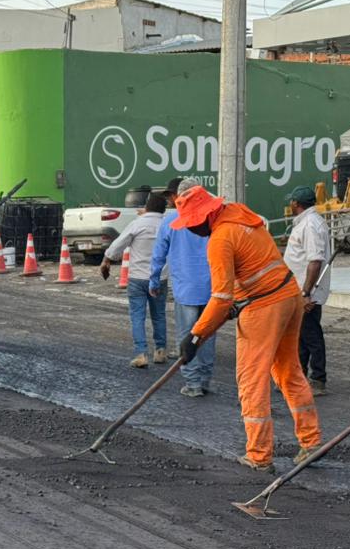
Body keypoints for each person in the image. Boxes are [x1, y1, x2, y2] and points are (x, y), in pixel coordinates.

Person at [171, 185, 320, 470]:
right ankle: (311, 441)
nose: (190, 228)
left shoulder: (220, 238)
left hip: (265, 307)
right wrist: (233, 306)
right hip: (289, 295)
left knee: (252, 379)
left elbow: (220, 297)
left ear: (205, 216)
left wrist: (196, 335)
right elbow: (247, 277)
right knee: (289, 371)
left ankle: (259, 455)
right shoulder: (240, 214)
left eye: (192, 222)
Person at [150, 177, 215, 396]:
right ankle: (205, 380)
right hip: (212, 288)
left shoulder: (171, 221)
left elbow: (158, 254)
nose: (170, 200)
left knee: (187, 336)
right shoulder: (212, 217)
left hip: (186, 289)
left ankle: (193, 383)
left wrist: (154, 280)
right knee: (206, 336)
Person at [103, 192, 168, 367]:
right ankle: (160, 351)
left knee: (137, 317)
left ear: (146, 207)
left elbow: (117, 246)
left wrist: (107, 259)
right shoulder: (167, 225)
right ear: (164, 209)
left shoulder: (137, 224)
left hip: (137, 278)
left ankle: (141, 354)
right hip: (160, 278)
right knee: (159, 315)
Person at [283, 185, 331, 396]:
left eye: (291, 201)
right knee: (300, 337)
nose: (290, 204)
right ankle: (299, 377)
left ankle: (318, 379)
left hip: (306, 293)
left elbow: (315, 261)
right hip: (300, 291)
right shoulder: (306, 222)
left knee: (311, 336)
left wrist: (306, 293)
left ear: (296, 203)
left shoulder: (310, 225)